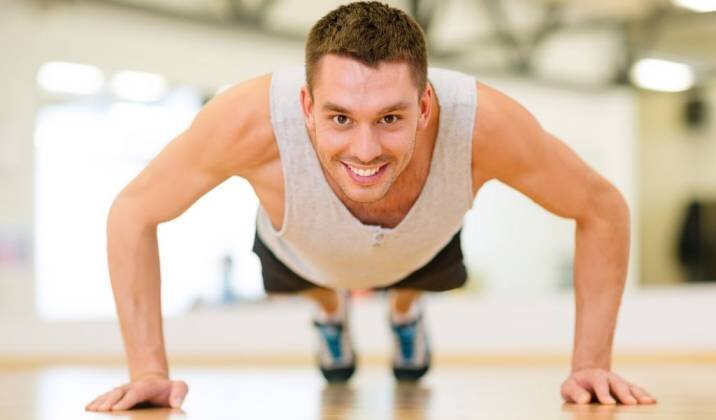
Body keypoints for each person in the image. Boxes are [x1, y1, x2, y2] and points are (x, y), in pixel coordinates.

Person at [85, 1, 657, 412]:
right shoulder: (246, 121)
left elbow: (602, 207)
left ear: (426, 104)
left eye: (390, 118)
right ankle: (331, 316)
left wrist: (590, 364)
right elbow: (133, 212)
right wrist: (149, 372)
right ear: (306, 106)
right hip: (302, 253)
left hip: (422, 246)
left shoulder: (486, 125)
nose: (365, 150)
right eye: (340, 118)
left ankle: (404, 312)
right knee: (319, 285)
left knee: (412, 273)